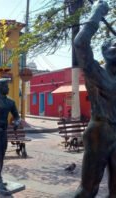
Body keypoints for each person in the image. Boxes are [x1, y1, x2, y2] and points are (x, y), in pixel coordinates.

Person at [74, 1, 116, 197]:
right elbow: (80, 43)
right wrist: (97, 12)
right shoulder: (95, 72)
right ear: (105, 53)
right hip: (100, 132)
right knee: (88, 190)